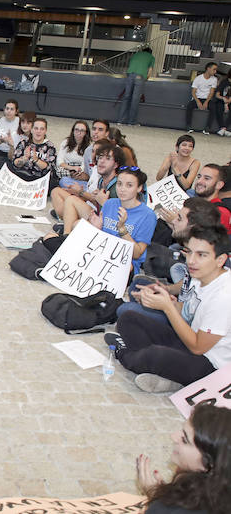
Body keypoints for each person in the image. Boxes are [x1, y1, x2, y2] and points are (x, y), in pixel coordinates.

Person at [110, 224, 230, 393]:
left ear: (220, 260)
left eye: (201, 255)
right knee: (128, 319)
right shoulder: (201, 275)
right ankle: (170, 375)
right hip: (189, 343)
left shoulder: (224, 296)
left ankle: (124, 353)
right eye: (189, 252)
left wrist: (167, 308)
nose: (191, 260)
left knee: (155, 355)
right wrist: (165, 300)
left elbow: (198, 347)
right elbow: (190, 311)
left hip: (211, 366)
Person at [137, 403, 231, 513]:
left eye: (185, 440)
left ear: (208, 463)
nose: (174, 436)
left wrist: (156, 500)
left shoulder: (168, 509)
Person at [87, 167, 157, 276]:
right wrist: (96, 228)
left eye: (129, 185)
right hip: (102, 254)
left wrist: (122, 229)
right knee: (54, 238)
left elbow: (137, 254)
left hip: (125, 263)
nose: (122, 189)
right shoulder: (110, 204)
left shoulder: (148, 216)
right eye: (119, 184)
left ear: (139, 188)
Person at [10, 117, 57, 182]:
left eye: (42, 129)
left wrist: (36, 160)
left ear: (45, 131)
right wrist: (24, 159)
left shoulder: (50, 147)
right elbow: (14, 163)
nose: (38, 131)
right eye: (36, 128)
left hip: (40, 179)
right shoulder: (23, 143)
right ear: (31, 130)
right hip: (23, 176)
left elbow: (49, 168)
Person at [118, 46, 155, 126]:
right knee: (135, 99)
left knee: (126, 97)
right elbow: (150, 70)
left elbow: (130, 65)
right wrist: (146, 79)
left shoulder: (136, 55)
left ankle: (120, 121)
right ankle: (131, 122)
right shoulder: (151, 57)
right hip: (139, 77)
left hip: (130, 75)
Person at [191, 164, 231, 234]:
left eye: (207, 178)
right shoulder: (193, 204)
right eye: (199, 177)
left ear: (219, 185)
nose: (199, 181)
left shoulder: (221, 213)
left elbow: (206, 241)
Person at [185, 62, 219, 134]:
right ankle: (188, 126)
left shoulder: (214, 79)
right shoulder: (198, 78)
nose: (215, 71)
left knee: (213, 108)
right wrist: (198, 102)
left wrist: (206, 102)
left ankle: (207, 127)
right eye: (214, 69)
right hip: (197, 98)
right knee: (189, 106)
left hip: (207, 99)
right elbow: (193, 92)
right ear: (208, 69)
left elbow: (211, 92)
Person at [55, 120, 91, 186]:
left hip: (80, 172)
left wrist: (78, 170)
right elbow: (59, 162)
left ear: (86, 133)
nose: (79, 133)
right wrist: (71, 168)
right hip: (66, 170)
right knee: (62, 178)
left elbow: (85, 165)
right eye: (76, 130)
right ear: (73, 131)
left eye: (82, 130)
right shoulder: (65, 142)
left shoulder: (89, 148)